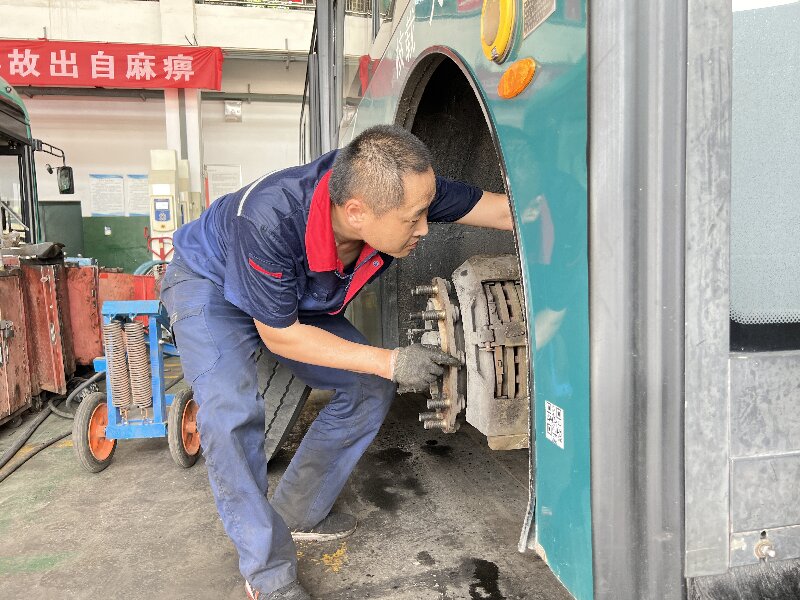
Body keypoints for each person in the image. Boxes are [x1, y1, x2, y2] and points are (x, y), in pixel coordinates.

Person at [159, 125, 513, 599]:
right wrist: (391, 361)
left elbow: (504, 211)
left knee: (368, 386)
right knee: (229, 414)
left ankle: (296, 515)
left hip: (290, 296)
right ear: (356, 212)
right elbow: (281, 336)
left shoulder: (400, 188)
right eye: (413, 220)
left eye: (427, 212)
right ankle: (268, 575)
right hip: (211, 283)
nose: (425, 228)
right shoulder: (269, 220)